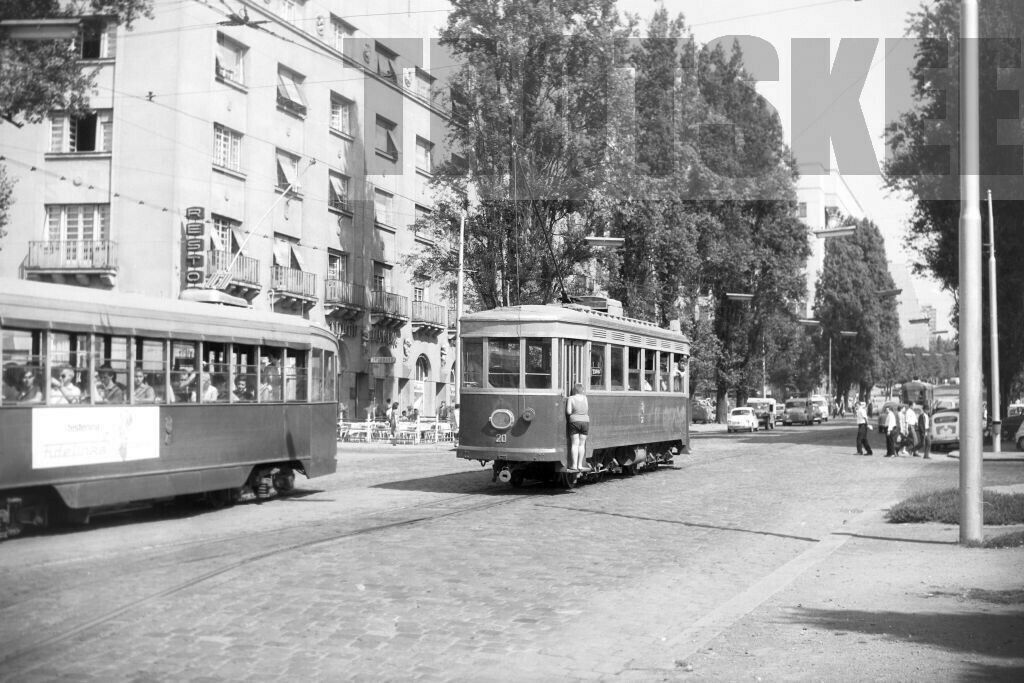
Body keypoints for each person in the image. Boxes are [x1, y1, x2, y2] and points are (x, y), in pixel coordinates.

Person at [566, 382, 590, 471]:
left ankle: (574, 465)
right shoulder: (585, 398)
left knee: (575, 444)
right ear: (582, 390)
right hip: (585, 421)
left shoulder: (571, 398)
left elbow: (568, 411)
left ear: (574, 390)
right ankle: (580, 465)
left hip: (574, 421)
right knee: (582, 444)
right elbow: (586, 409)